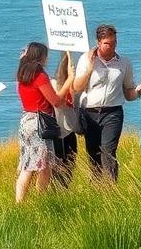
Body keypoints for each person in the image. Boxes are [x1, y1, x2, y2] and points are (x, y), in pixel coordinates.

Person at [73, 24, 139, 182]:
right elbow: (77, 87)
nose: (112, 46)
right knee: (93, 153)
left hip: (113, 112)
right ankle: (96, 189)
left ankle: (111, 189)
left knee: (108, 152)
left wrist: (139, 91)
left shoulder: (124, 63)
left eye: (115, 42)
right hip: (89, 112)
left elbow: (128, 92)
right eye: (108, 43)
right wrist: (89, 68)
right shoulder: (86, 59)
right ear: (98, 42)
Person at [15, 41, 72, 202]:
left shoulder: (22, 73)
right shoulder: (39, 75)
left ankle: (19, 202)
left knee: (27, 164)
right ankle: (41, 199)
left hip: (26, 119)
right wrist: (69, 81)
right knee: (43, 165)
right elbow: (55, 101)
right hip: (40, 122)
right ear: (41, 56)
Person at [49, 52, 79, 188]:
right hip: (58, 131)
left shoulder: (74, 86)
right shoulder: (52, 84)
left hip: (69, 130)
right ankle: (57, 191)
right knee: (59, 166)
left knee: (69, 165)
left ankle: (64, 190)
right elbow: (57, 101)